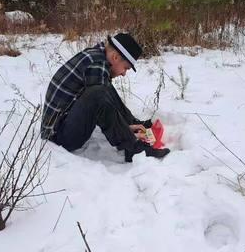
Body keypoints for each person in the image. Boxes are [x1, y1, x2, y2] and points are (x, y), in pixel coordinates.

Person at [41, 33, 170, 162]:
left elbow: (105, 100)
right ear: (115, 57)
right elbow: (101, 105)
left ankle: (131, 122)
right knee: (99, 93)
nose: (124, 74)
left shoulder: (97, 57)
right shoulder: (96, 64)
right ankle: (132, 148)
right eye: (126, 68)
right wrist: (127, 133)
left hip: (63, 123)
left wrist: (127, 125)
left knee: (104, 88)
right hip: (59, 137)